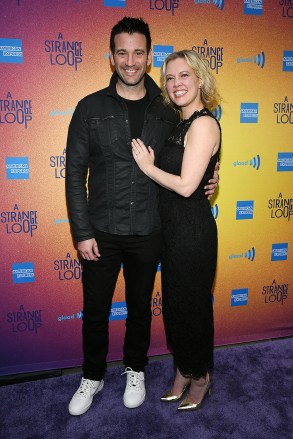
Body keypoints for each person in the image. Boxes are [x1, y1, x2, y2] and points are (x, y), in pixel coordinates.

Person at [66, 17, 218, 416]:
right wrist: (82, 232)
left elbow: (190, 158)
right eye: (122, 52)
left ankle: (136, 369)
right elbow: (74, 173)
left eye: (138, 52)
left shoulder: (169, 108)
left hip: (151, 229)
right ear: (111, 57)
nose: (130, 61)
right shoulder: (89, 107)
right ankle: (92, 376)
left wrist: (210, 176)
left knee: (140, 309)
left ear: (149, 57)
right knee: (96, 310)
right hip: (102, 229)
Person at [131, 50, 221, 411]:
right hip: (173, 232)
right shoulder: (178, 122)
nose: (176, 83)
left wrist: (147, 166)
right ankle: (183, 370)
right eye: (170, 77)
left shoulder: (203, 123)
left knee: (192, 308)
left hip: (193, 233)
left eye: (184, 75)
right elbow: (200, 172)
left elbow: (186, 186)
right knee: (176, 308)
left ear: (200, 79)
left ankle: (201, 378)